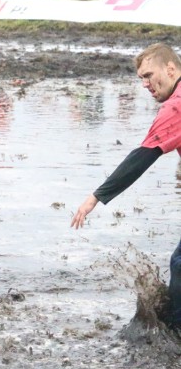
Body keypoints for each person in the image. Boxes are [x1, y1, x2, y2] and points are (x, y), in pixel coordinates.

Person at [72, 43, 181, 331]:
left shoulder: (176, 106)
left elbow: (143, 156)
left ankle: (173, 331)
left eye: (149, 75)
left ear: (171, 69)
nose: (146, 84)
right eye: (141, 79)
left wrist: (96, 196)